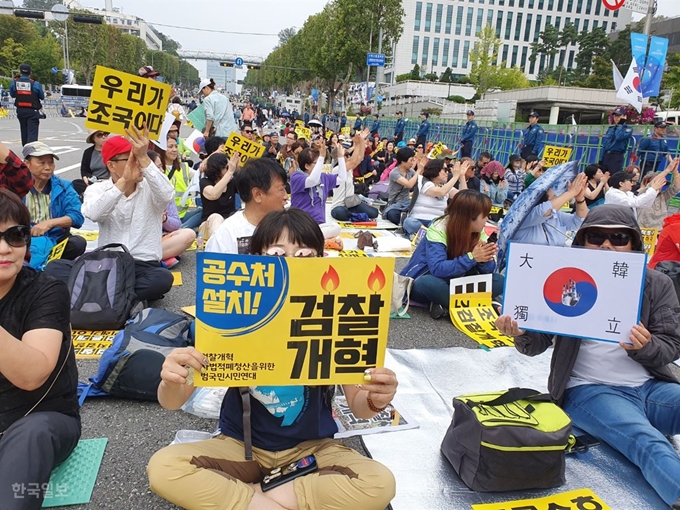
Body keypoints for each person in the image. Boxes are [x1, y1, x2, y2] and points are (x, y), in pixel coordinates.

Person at [148, 208, 398, 510]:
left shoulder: (334, 316)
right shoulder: (229, 316)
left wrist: (377, 398)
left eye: (304, 256)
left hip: (313, 450)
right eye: (278, 255)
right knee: (164, 467)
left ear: (320, 260)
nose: (291, 265)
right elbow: (173, 401)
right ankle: (271, 501)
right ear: (255, 259)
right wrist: (171, 378)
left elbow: (360, 406)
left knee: (379, 482)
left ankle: (254, 497)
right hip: (240, 447)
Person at [496, 204, 680, 510]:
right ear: (581, 241)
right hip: (589, 389)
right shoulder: (565, 278)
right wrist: (519, 333)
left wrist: (644, 347)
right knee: (646, 440)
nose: (607, 245)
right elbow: (537, 343)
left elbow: (671, 344)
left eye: (619, 237)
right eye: (595, 236)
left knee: (647, 429)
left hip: (651, 386)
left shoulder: (655, 283)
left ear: (634, 243)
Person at [0, 188, 81, 510]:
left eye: (15, 236)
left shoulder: (46, 290)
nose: (5, 249)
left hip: (40, 419)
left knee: (31, 435)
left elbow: (32, 375)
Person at [44, 127, 175, 303]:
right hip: (106, 263)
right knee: (54, 268)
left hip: (142, 265)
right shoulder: (98, 189)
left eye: (139, 158)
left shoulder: (150, 187)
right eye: (132, 159)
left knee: (162, 278)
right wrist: (123, 183)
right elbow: (93, 213)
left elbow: (167, 194)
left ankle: (97, 294)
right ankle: (122, 298)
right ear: (111, 165)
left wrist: (144, 157)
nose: (138, 165)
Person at [401, 189, 503, 319]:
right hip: (435, 277)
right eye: (485, 215)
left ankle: (445, 304)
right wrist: (472, 258)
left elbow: (488, 271)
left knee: (499, 280)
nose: (487, 219)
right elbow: (437, 269)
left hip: (459, 281)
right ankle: (478, 302)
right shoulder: (439, 228)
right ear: (470, 217)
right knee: (427, 283)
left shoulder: (479, 231)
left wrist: (484, 259)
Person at [22, 141, 86, 268]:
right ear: (27, 164)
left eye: (51, 162)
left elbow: (77, 216)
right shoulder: (16, 186)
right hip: (23, 239)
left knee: (78, 243)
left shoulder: (63, 186)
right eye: (41, 162)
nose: (48, 167)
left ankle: (48, 263)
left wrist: (50, 223)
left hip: (55, 239)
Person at [206, 157, 288, 255]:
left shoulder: (289, 227)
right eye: (281, 189)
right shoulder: (225, 236)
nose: (286, 197)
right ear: (257, 195)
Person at [512, 173, 589, 247]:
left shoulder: (557, 215)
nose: (560, 197)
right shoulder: (525, 214)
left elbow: (580, 221)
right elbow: (543, 210)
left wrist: (580, 199)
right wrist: (571, 192)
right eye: (555, 196)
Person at [147, 151, 196, 267]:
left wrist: (164, 219)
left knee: (189, 234)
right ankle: (155, 259)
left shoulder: (165, 190)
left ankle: (152, 259)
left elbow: (176, 224)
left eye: (161, 167)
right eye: (158, 167)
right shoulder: (136, 190)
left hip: (161, 239)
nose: (162, 171)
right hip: (140, 242)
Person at [290, 145, 344, 239]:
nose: (320, 165)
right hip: (300, 224)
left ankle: (312, 238)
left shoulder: (323, 177)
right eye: (317, 162)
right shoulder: (296, 177)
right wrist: (322, 157)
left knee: (336, 228)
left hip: (319, 225)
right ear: (306, 166)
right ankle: (311, 238)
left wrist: (341, 157)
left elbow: (342, 179)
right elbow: (312, 181)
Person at [403, 158, 467, 237]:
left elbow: (464, 197)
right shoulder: (424, 182)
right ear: (435, 170)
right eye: (445, 169)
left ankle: (425, 235)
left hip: (436, 222)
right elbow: (441, 192)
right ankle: (428, 235)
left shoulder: (445, 186)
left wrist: (462, 176)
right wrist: (455, 177)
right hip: (418, 219)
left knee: (448, 224)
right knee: (410, 222)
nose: (447, 172)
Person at [330, 132, 379, 221]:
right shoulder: (337, 169)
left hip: (351, 203)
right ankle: (354, 215)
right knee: (341, 212)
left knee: (374, 213)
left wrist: (361, 141)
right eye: (346, 155)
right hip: (339, 206)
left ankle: (353, 215)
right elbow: (353, 161)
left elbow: (359, 158)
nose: (349, 156)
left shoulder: (349, 168)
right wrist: (357, 143)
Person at [160, 135, 201, 229]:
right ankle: (180, 229)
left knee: (204, 211)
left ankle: (180, 228)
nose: (174, 149)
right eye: (170, 147)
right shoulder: (157, 169)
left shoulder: (183, 166)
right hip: (166, 217)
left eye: (176, 146)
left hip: (184, 214)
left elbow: (199, 175)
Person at [198, 152, 239, 241]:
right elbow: (213, 194)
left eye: (230, 167)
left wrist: (238, 170)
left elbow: (247, 192)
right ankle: (219, 247)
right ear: (218, 168)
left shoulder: (232, 182)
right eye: (226, 167)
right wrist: (230, 172)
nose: (229, 169)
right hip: (209, 224)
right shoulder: (205, 182)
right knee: (216, 217)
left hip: (229, 223)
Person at [604, 170, 669, 220]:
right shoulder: (613, 194)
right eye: (630, 181)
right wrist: (652, 189)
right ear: (621, 183)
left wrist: (655, 190)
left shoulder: (628, 193)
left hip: (627, 225)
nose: (632, 183)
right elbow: (636, 202)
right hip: (614, 226)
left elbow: (645, 204)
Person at [636, 158, 680, 230]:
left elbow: (677, 188)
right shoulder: (642, 193)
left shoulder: (663, 196)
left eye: (663, 184)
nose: (661, 186)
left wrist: (675, 171)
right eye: (659, 183)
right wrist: (668, 169)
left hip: (658, 232)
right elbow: (651, 185)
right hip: (641, 231)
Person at [383, 147, 422, 225]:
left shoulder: (410, 171)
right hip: (395, 203)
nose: (412, 162)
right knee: (393, 215)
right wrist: (419, 170)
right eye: (411, 160)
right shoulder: (394, 173)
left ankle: (406, 218)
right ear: (403, 161)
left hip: (407, 202)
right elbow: (409, 184)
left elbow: (420, 181)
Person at [9, 64, 44, 146]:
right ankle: (30, 152)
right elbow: (42, 97)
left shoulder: (14, 83)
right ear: (30, 72)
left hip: (20, 110)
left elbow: (12, 95)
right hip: (32, 110)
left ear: (20, 72)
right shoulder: (35, 84)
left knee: (24, 130)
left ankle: (25, 149)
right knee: (32, 131)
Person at [72, 129, 110, 199]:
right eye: (100, 135)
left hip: (109, 182)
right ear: (93, 139)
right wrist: (85, 178)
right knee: (75, 183)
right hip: (93, 181)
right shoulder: (88, 152)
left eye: (105, 134)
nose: (104, 137)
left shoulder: (112, 150)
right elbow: (84, 170)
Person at [601, 107, 634, 174]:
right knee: (602, 176)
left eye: (619, 116)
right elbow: (605, 144)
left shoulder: (628, 129)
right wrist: (601, 158)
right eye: (615, 116)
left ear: (624, 117)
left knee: (613, 176)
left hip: (616, 156)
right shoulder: (611, 128)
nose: (616, 118)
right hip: (607, 155)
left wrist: (620, 125)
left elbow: (619, 137)